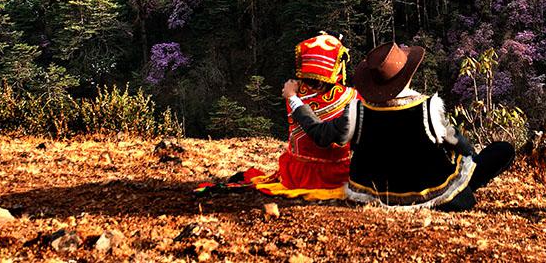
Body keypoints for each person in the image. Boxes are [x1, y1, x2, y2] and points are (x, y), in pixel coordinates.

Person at [283, 40, 515, 210]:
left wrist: (294, 99)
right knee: (502, 151)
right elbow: (460, 144)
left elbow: (319, 134)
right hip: (429, 195)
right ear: (408, 75)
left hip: (374, 195)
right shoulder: (429, 109)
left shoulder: (357, 112)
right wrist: (470, 162)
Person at [197, 32, 357, 199]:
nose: (314, 86)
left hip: (299, 174)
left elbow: (319, 134)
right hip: (336, 175)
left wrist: (293, 97)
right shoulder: (353, 97)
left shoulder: (293, 92)